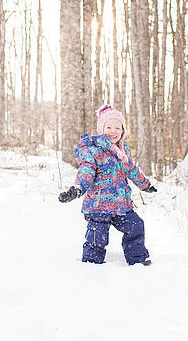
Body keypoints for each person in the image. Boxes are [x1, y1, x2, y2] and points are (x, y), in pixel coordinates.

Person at [58, 104, 157, 266]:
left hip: (121, 205)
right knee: (97, 236)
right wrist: (77, 189)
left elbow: (131, 170)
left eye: (117, 127)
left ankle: (137, 259)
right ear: (101, 129)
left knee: (136, 226)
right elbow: (86, 172)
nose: (113, 131)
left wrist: (145, 185)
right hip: (98, 206)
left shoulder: (122, 151)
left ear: (123, 130)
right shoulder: (93, 151)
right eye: (109, 127)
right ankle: (91, 264)